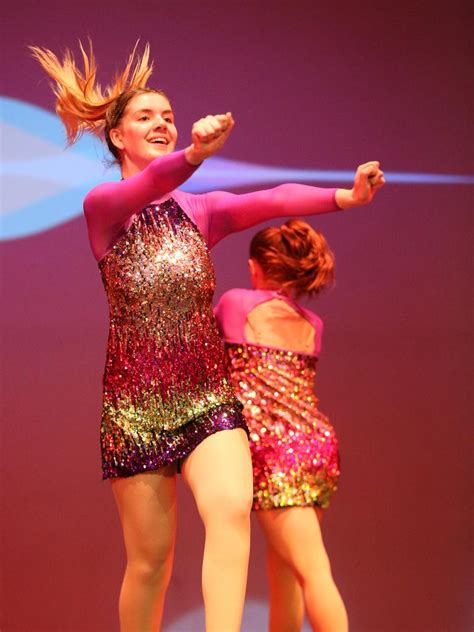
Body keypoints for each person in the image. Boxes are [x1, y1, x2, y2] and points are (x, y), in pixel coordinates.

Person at [31, 40, 384, 632]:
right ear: (117, 137)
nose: (162, 124)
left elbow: (272, 199)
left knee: (230, 508)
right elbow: (145, 186)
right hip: (135, 408)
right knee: (150, 564)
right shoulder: (105, 208)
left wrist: (344, 198)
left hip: (207, 398)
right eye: (146, 116)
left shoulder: (200, 212)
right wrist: (193, 152)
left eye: (168, 116)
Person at [214, 220, 347, 631]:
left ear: (256, 267)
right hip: (317, 447)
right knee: (285, 573)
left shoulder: (237, 304)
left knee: (312, 570)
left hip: (277, 453)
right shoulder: (312, 324)